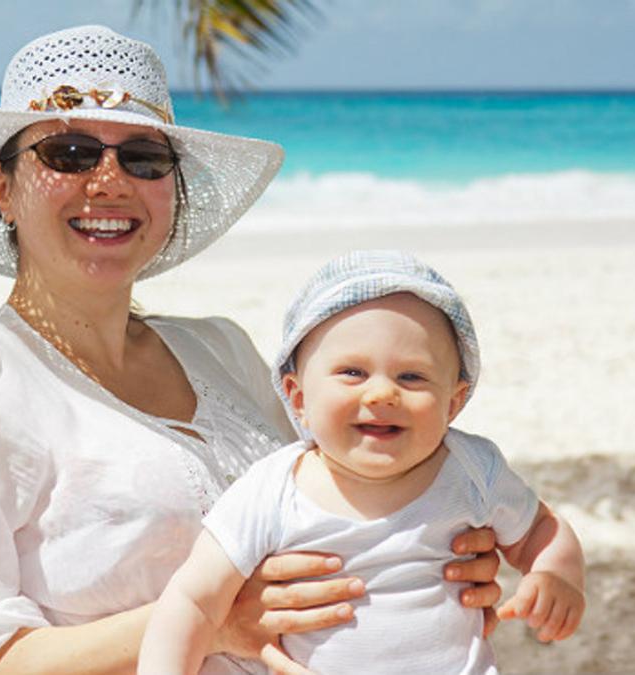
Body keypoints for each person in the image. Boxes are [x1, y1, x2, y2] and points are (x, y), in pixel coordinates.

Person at [0, 26, 504, 675]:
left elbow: (347, 489)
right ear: (4, 188)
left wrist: (433, 549)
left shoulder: (220, 350)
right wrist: (212, 618)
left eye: (144, 157)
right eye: (70, 152)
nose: (110, 181)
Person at [139, 251, 586, 674]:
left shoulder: (472, 469)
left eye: (411, 376)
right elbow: (193, 601)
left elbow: (542, 531)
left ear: (455, 400)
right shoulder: (273, 489)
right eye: (352, 373)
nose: (381, 394)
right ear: (298, 397)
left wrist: (555, 575)